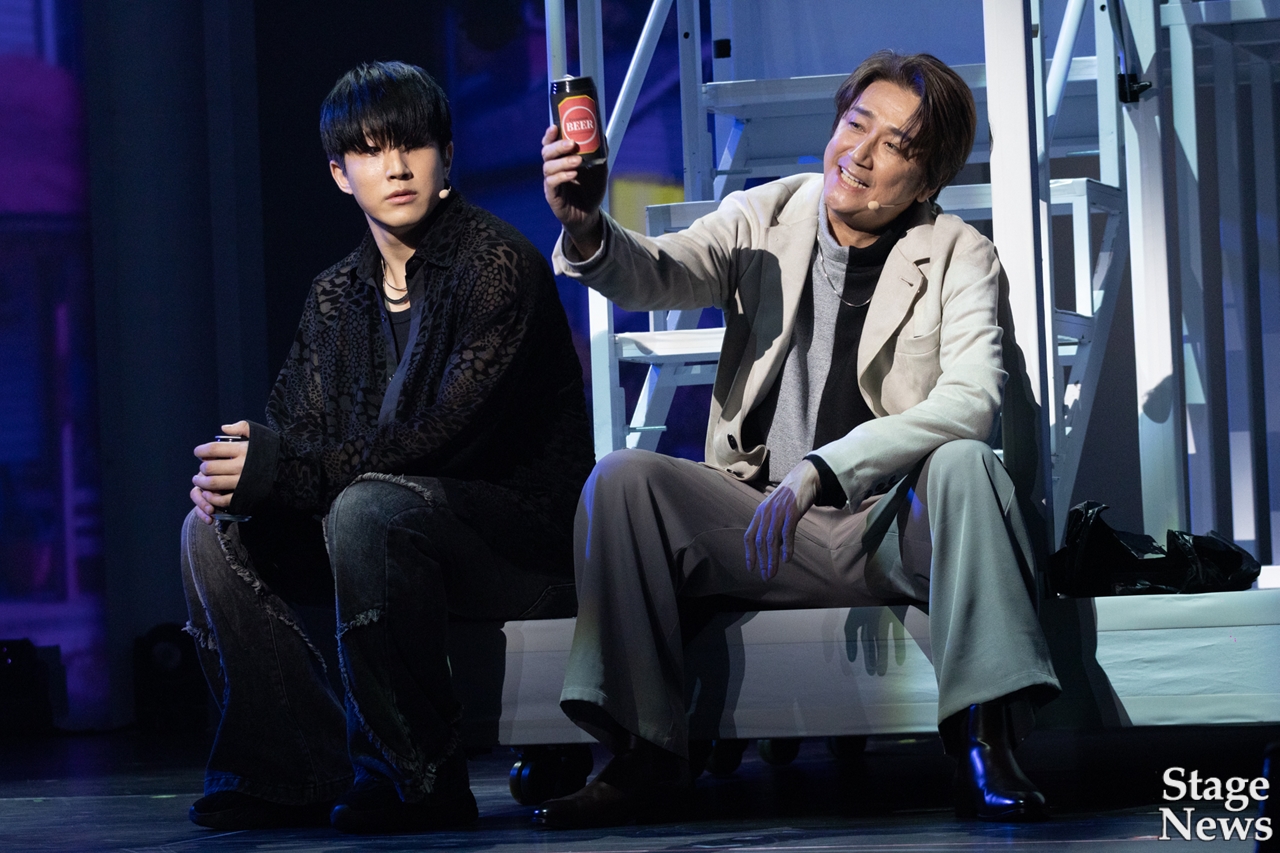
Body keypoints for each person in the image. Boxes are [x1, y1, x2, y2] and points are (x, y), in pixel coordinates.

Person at [535, 50, 1061, 827]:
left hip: (889, 523)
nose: (861, 153)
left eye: (895, 145)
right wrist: (586, 227)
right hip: (765, 524)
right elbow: (663, 273)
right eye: (856, 124)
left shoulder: (959, 252)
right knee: (621, 479)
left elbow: (971, 401)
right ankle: (644, 755)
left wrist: (824, 467)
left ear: (927, 180)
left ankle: (987, 743)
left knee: (965, 462)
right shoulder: (769, 212)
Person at [180, 61, 594, 834]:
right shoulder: (336, 294)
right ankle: (290, 766)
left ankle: (414, 776)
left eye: (412, 144)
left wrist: (284, 468)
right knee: (212, 528)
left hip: (520, 547)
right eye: (370, 151)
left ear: (446, 155)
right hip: (392, 529)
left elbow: (449, 436)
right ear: (340, 174)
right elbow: (299, 431)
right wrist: (244, 470)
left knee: (368, 507)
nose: (396, 167)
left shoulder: (497, 264)